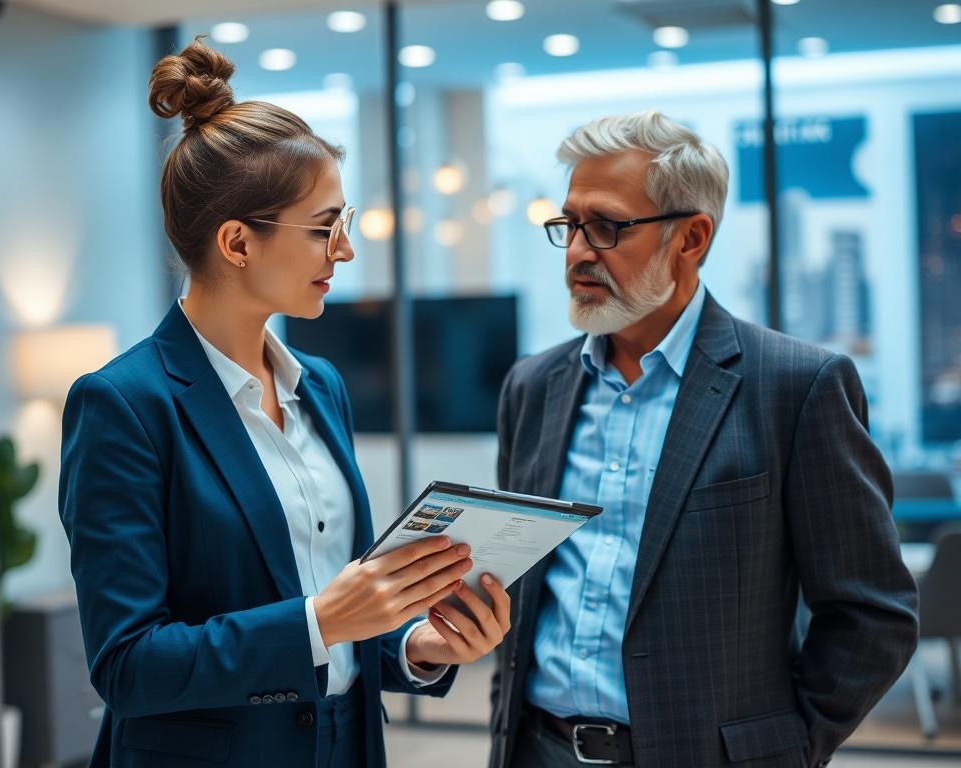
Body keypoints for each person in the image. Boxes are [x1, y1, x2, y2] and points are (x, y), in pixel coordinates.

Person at [58, 38, 510, 768]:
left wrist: (415, 644)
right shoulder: (124, 405)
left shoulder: (321, 386)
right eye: (323, 227)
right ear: (238, 242)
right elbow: (127, 664)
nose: (344, 251)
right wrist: (318, 621)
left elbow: (336, 606)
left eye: (345, 221)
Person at [489, 110, 918, 768]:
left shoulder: (795, 387)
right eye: (568, 225)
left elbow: (873, 612)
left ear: (690, 238)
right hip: (536, 749)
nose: (577, 251)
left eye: (604, 227)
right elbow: (521, 594)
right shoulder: (533, 386)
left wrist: (788, 747)